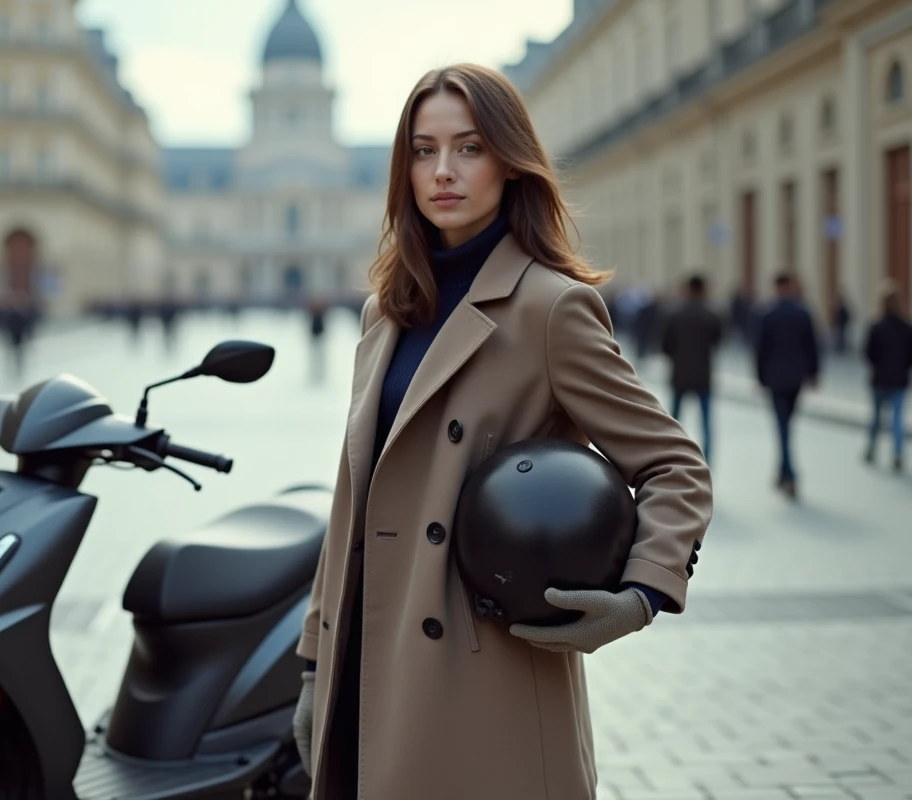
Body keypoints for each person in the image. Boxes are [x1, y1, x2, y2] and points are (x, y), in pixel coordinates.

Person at [289, 64, 713, 799]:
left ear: (511, 163)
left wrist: (641, 594)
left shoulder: (550, 308)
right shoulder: (385, 312)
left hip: (485, 676)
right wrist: (312, 662)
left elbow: (675, 465)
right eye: (423, 151)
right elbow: (351, 498)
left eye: (469, 148)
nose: (442, 171)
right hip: (367, 660)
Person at [755, 272, 820, 499]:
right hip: (796, 377)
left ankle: (788, 474)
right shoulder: (803, 312)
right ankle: (784, 472)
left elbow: (760, 349)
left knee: (782, 426)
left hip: (775, 377)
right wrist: (814, 373)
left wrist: (760, 377)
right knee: (786, 425)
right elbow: (813, 345)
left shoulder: (767, 313)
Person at [660, 274, 722, 464]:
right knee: (706, 422)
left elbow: (665, 346)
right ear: (703, 290)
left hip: (680, 375)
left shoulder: (675, 315)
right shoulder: (711, 315)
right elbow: (718, 341)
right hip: (703, 376)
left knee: (674, 421)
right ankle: (707, 460)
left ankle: (672, 455)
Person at [863, 283, 912, 472]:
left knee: (876, 416)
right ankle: (897, 453)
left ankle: (871, 448)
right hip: (899, 379)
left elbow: (868, 353)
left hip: (880, 379)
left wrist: (878, 365)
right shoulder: (906, 327)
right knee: (897, 419)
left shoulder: (876, 326)